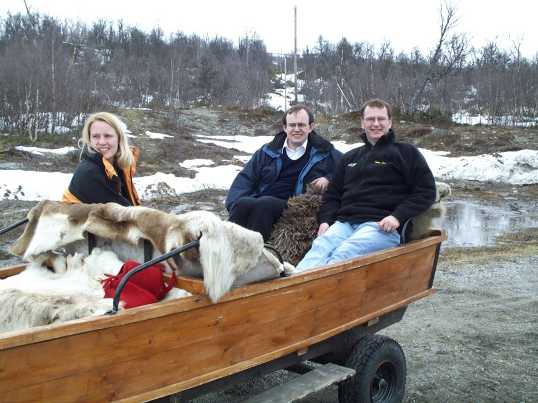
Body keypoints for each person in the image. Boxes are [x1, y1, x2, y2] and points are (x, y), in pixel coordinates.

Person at [296, 99, 436, 270]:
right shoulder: (350, 158)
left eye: (381, 119)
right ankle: (287, 291)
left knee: (345, 253)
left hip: (381, 226)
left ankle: (314, 294)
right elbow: (333, 196)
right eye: (370, 119)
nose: (375, 124)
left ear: (389, 122)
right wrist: (326, 221)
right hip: (345, 224)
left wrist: (397, 217)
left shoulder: (407, 153)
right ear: (362, 123)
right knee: (320, 248)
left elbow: (426, 191)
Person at [225, 104, 341, 241]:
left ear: (311, 127)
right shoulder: (268, 151)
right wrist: (233, 203)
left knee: (264, 204)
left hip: (294, 205)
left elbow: (349, 168)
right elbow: (245, 178)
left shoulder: (325, 152)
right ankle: (227, 250)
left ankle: (258, 251)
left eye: (301, 125)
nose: (296, 129)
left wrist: (329, 178)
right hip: (261, 198)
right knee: (242, 203)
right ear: (285, 127)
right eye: (292, 125)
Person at [63, 112, 140, 206]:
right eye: (95, 136)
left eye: (107, 136)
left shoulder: (119, 166)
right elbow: (125, 213)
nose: (102, 142)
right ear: (89, 140)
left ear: (119, 138)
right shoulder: (89, 172)